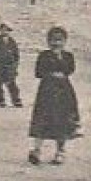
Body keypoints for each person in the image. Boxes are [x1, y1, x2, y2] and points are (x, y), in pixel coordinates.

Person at [29, 27, 79, 164]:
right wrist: (51, 73)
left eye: (60, 40)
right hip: (47, 91)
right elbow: (38, 72)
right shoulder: (44, 55)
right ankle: (36, 150)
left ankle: (60, 151)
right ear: (48, 41)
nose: (56, 43)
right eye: (53, 40)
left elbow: (70, 69)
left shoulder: (68, 56)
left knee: (62, 121)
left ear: (65, 41)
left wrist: (59, 59)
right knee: (42, 120)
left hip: (63, 91)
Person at [0, 22, 23, 107]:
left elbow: (16, 55)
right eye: (4, 30)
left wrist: (14, 66)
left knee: (12, 84)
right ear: (0, 30)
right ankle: (1, 100)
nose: (6, 32)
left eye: (8, 30)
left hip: (9, 67)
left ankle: (16, 100)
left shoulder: (12, 42)